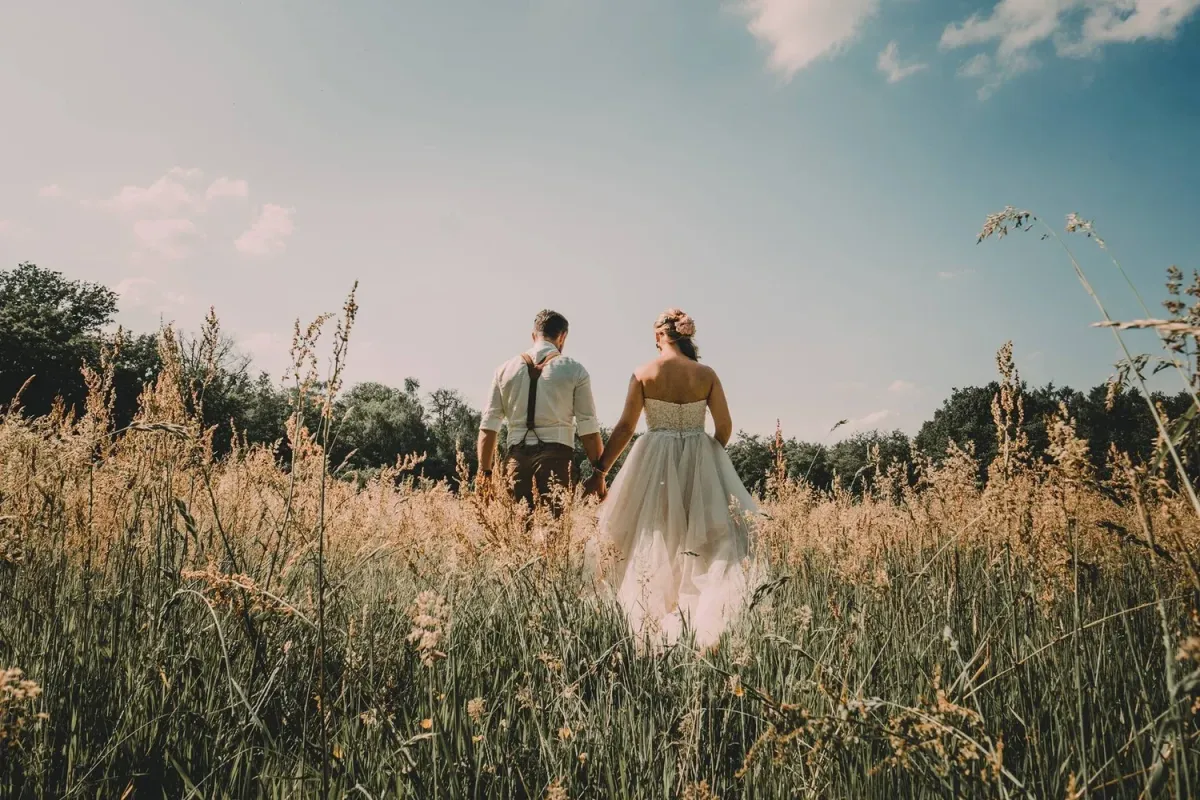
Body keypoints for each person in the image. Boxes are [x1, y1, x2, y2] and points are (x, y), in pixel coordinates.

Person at [586, 308, 759, 649]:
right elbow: (724, 427)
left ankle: (648, 618)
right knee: (704, 541)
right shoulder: (706, 373)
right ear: (685, 336)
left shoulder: (643, 372)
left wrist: (601, 470)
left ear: (657, 337)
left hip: (653, 457)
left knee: (649, 535)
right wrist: (707, 454)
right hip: (699, 454)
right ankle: (696, 620)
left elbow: (625, 428)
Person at [477, 309, 605, 511]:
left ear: (533, 335)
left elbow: (488, 427)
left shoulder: (504, 370)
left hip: (515, 462)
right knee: (555, 536)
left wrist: (484, 473)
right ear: (562, 337)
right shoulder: (574, 370)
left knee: (517, 534)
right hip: (557, 461)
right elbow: (588, 428)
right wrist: (599, 474)